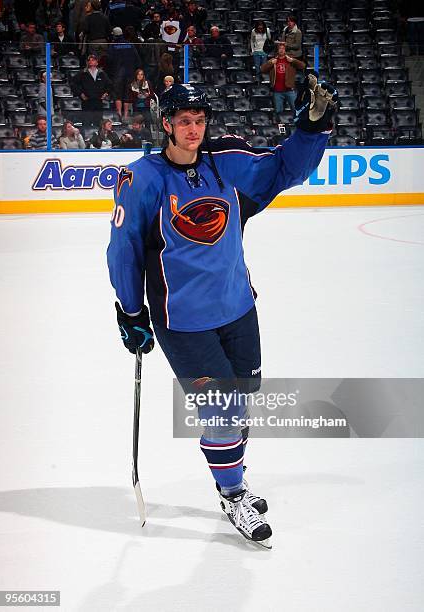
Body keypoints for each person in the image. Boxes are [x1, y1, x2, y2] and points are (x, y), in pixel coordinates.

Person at [107, 81, 337, 547]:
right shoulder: (142, 180)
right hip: (184, 321)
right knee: (224, 409)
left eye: (200, 120)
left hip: (237, 307)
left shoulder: (225, 164)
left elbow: (284, 170)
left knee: (244, 397)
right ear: (165, 124)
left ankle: (234, 476)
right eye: (183, 121)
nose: (193, 130)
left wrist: (311, 127)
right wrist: (132, 311)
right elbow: (124, 250)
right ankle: (233, 493)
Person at [106, 27, 141, 120]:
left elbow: (109, 60)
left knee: (118, 95)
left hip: (117, 74)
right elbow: (137, 59)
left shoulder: (112, 46)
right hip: (130, 73)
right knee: (127, 95)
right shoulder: (130, 45)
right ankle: (125, 115)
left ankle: (119, 115)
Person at [261, 42, 305, 115]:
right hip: (277, 91)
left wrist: (293, 60)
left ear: (285, 50)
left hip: (289, 90)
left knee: (296, 110)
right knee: (278, 111)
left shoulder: (290, 60)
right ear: (277, 50)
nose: (281, 50)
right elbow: (262, 69)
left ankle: (297, 125)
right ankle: (280, 125)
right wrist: (271, 63)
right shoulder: (273, 60)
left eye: (283, 49)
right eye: (280, 49)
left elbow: (303, 66)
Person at [72, 53, 113, 126]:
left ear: (97, 62)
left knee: (98, 124)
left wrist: (106, 93)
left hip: (98, 102)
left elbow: (109, 85)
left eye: (93, 60)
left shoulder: (102, 73)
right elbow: (74, 84)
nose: (91, 61)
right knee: (86, 122)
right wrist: (80, 94)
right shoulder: (82, 73)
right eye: (89, 60)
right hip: (87, 102)